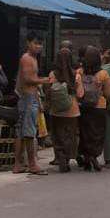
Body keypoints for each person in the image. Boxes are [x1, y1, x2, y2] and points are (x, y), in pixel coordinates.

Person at [13, 31, 50, 175]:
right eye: (36, 43)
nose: (38, 47)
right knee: (29, 133)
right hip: (28, 98)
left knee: (22, 132)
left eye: (40, 44)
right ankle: (32, 164)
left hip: (28, 97)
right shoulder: (27, 59)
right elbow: (28, 79)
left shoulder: (32, 58)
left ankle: (19, 164)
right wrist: (44, 80)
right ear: (28, 43)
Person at [46, 49, 84, 173]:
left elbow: (48, 91)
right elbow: (80, 94)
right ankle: (67, 158)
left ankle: (60, 156)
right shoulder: (76, 75)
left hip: (56, 111)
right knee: (70, 136)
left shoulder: (52, 74)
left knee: (57, 135)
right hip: (72, 111)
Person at [77, 46, 110, 172]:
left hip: (83, 107)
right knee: (97, 133)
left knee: (85, 132)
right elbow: (108, 93)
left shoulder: (80, 72)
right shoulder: (103, 74)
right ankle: (94, 156)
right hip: (99, 107)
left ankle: (86, 157)